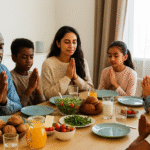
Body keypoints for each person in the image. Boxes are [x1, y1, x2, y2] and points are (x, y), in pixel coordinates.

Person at [41, 26, 93, 99]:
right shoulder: (48, 64)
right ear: (58, 43)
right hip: (57, 106)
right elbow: (48, 94)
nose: (71, 46)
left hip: (79, 104)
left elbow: (90, 88)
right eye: (67, 42)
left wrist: (75, 77)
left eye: (74, 42)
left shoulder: (82, 61)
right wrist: (67, 77)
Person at [10, 38, 45, 107]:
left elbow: (42, 104)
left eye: (31, 57)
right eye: (24, 57)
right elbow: (16, 108)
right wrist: (30, 88)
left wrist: (37, 89)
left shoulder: (33, 76)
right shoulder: (10, 78)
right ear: (14, 58)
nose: (28, 60)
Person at [0, 33, 22, 115]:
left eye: (1, 47)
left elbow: (18, 107)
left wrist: (4, 101)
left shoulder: (3, 70)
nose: (0, 53)